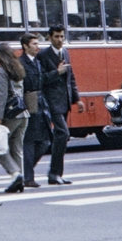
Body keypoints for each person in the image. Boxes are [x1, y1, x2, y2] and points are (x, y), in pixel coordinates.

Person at [39, 26, 79, 186]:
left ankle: (56, 174)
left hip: (65, 101)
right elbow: (40, 79)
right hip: (51, 102)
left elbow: (71, 77)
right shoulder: (43, 55)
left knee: (61, 137)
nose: (60, 39)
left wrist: (77, 99)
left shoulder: (66, 52)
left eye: (62, 36)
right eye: (56, 37)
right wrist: (57, 72)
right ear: (49, 38)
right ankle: (53, 173)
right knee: (62, 133)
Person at [0, 41, 28, 194]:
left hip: (11, 114)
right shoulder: (18, 69)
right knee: (17, 147)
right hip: (24, 113)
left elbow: (2, 96)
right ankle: (20, 181)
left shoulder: (2, 71)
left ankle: (15, 174)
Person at [20, 34, 51, 189]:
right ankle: (28, 177)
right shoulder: (21, 63)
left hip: (41, 102)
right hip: (29, 102)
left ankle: (25, 171)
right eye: (34, 44)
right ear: (25, 46)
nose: (37, 46)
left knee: (45, 140)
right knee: (30, 141)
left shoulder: (37, 62)